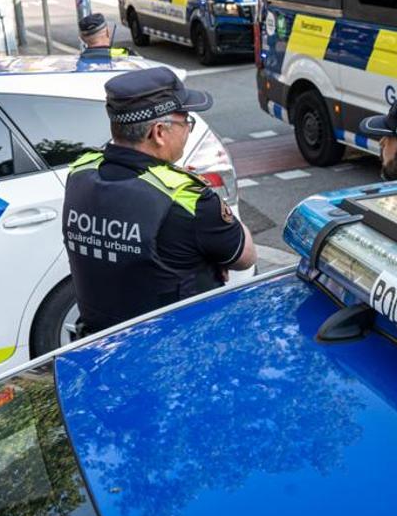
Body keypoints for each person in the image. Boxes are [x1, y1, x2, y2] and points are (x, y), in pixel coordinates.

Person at [62, 66, 257, 335]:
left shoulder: (79, 174)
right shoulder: (185, 199)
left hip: (100, 344)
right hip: (175, 350)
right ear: (158, 132)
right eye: (186, 121)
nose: (188, 130)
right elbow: (246, 257)